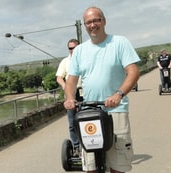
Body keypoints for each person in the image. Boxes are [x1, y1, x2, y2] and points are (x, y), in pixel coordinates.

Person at [63, 6, 140, 173]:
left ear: (104, 21)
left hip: (116, 109)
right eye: (88, 22)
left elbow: (133, 72)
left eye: (96, 20)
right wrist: (70, 98)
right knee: (90, 165)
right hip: (89, 111)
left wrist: (119, 94)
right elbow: (71, 80)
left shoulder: (120, 42)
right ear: (85, 26)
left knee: (118, 164)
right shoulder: (79, 51)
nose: (92, 25)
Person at [56, 38, 81, 155]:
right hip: (72, 94)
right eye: (70, 48)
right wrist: (66, 87)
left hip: (87, 93)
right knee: (72, 123)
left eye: (75, 48)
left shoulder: (86, 59)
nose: (72, 50)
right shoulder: (65, 62)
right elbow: (59, 77)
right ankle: (76, 147)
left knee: (90, 119)